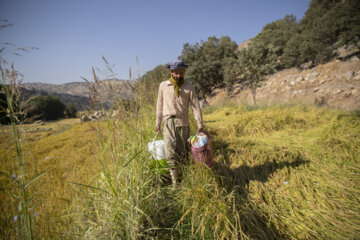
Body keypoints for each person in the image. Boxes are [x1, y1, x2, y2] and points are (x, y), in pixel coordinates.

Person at [156, 60, 203, 188]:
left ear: (184, 72)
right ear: (171, 72)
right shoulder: (163, 86)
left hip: (183, 122)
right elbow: (159, 105)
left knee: (183, 152)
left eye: (181, 73)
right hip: (168, 121)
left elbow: (195, 106)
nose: (178, 75)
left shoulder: (189, 86)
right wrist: (157, 122)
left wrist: (200, 123)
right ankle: (174, 182)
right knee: (170, 149)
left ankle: (183, 179)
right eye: (176, 73)